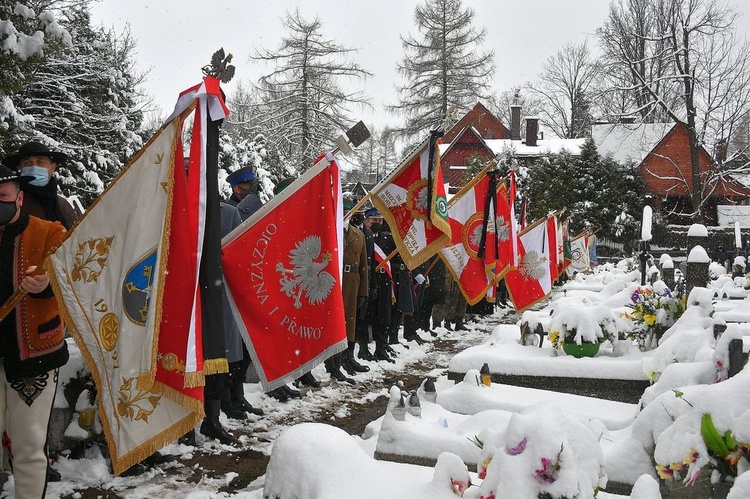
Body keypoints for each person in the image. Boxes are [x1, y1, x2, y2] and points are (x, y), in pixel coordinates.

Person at [0, 165, 68, 497]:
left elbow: (72, 278)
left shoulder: (49, 232)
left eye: (2, 196)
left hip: (33, 356)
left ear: (19, 197)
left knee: (27, 446)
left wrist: (46, 284)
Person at [2, 141, 79, 230]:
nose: (34, 167)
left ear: (52, 167)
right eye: (27, 163)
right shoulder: (10, 204)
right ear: (19, 168)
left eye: (40, 162)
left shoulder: (64, 205)